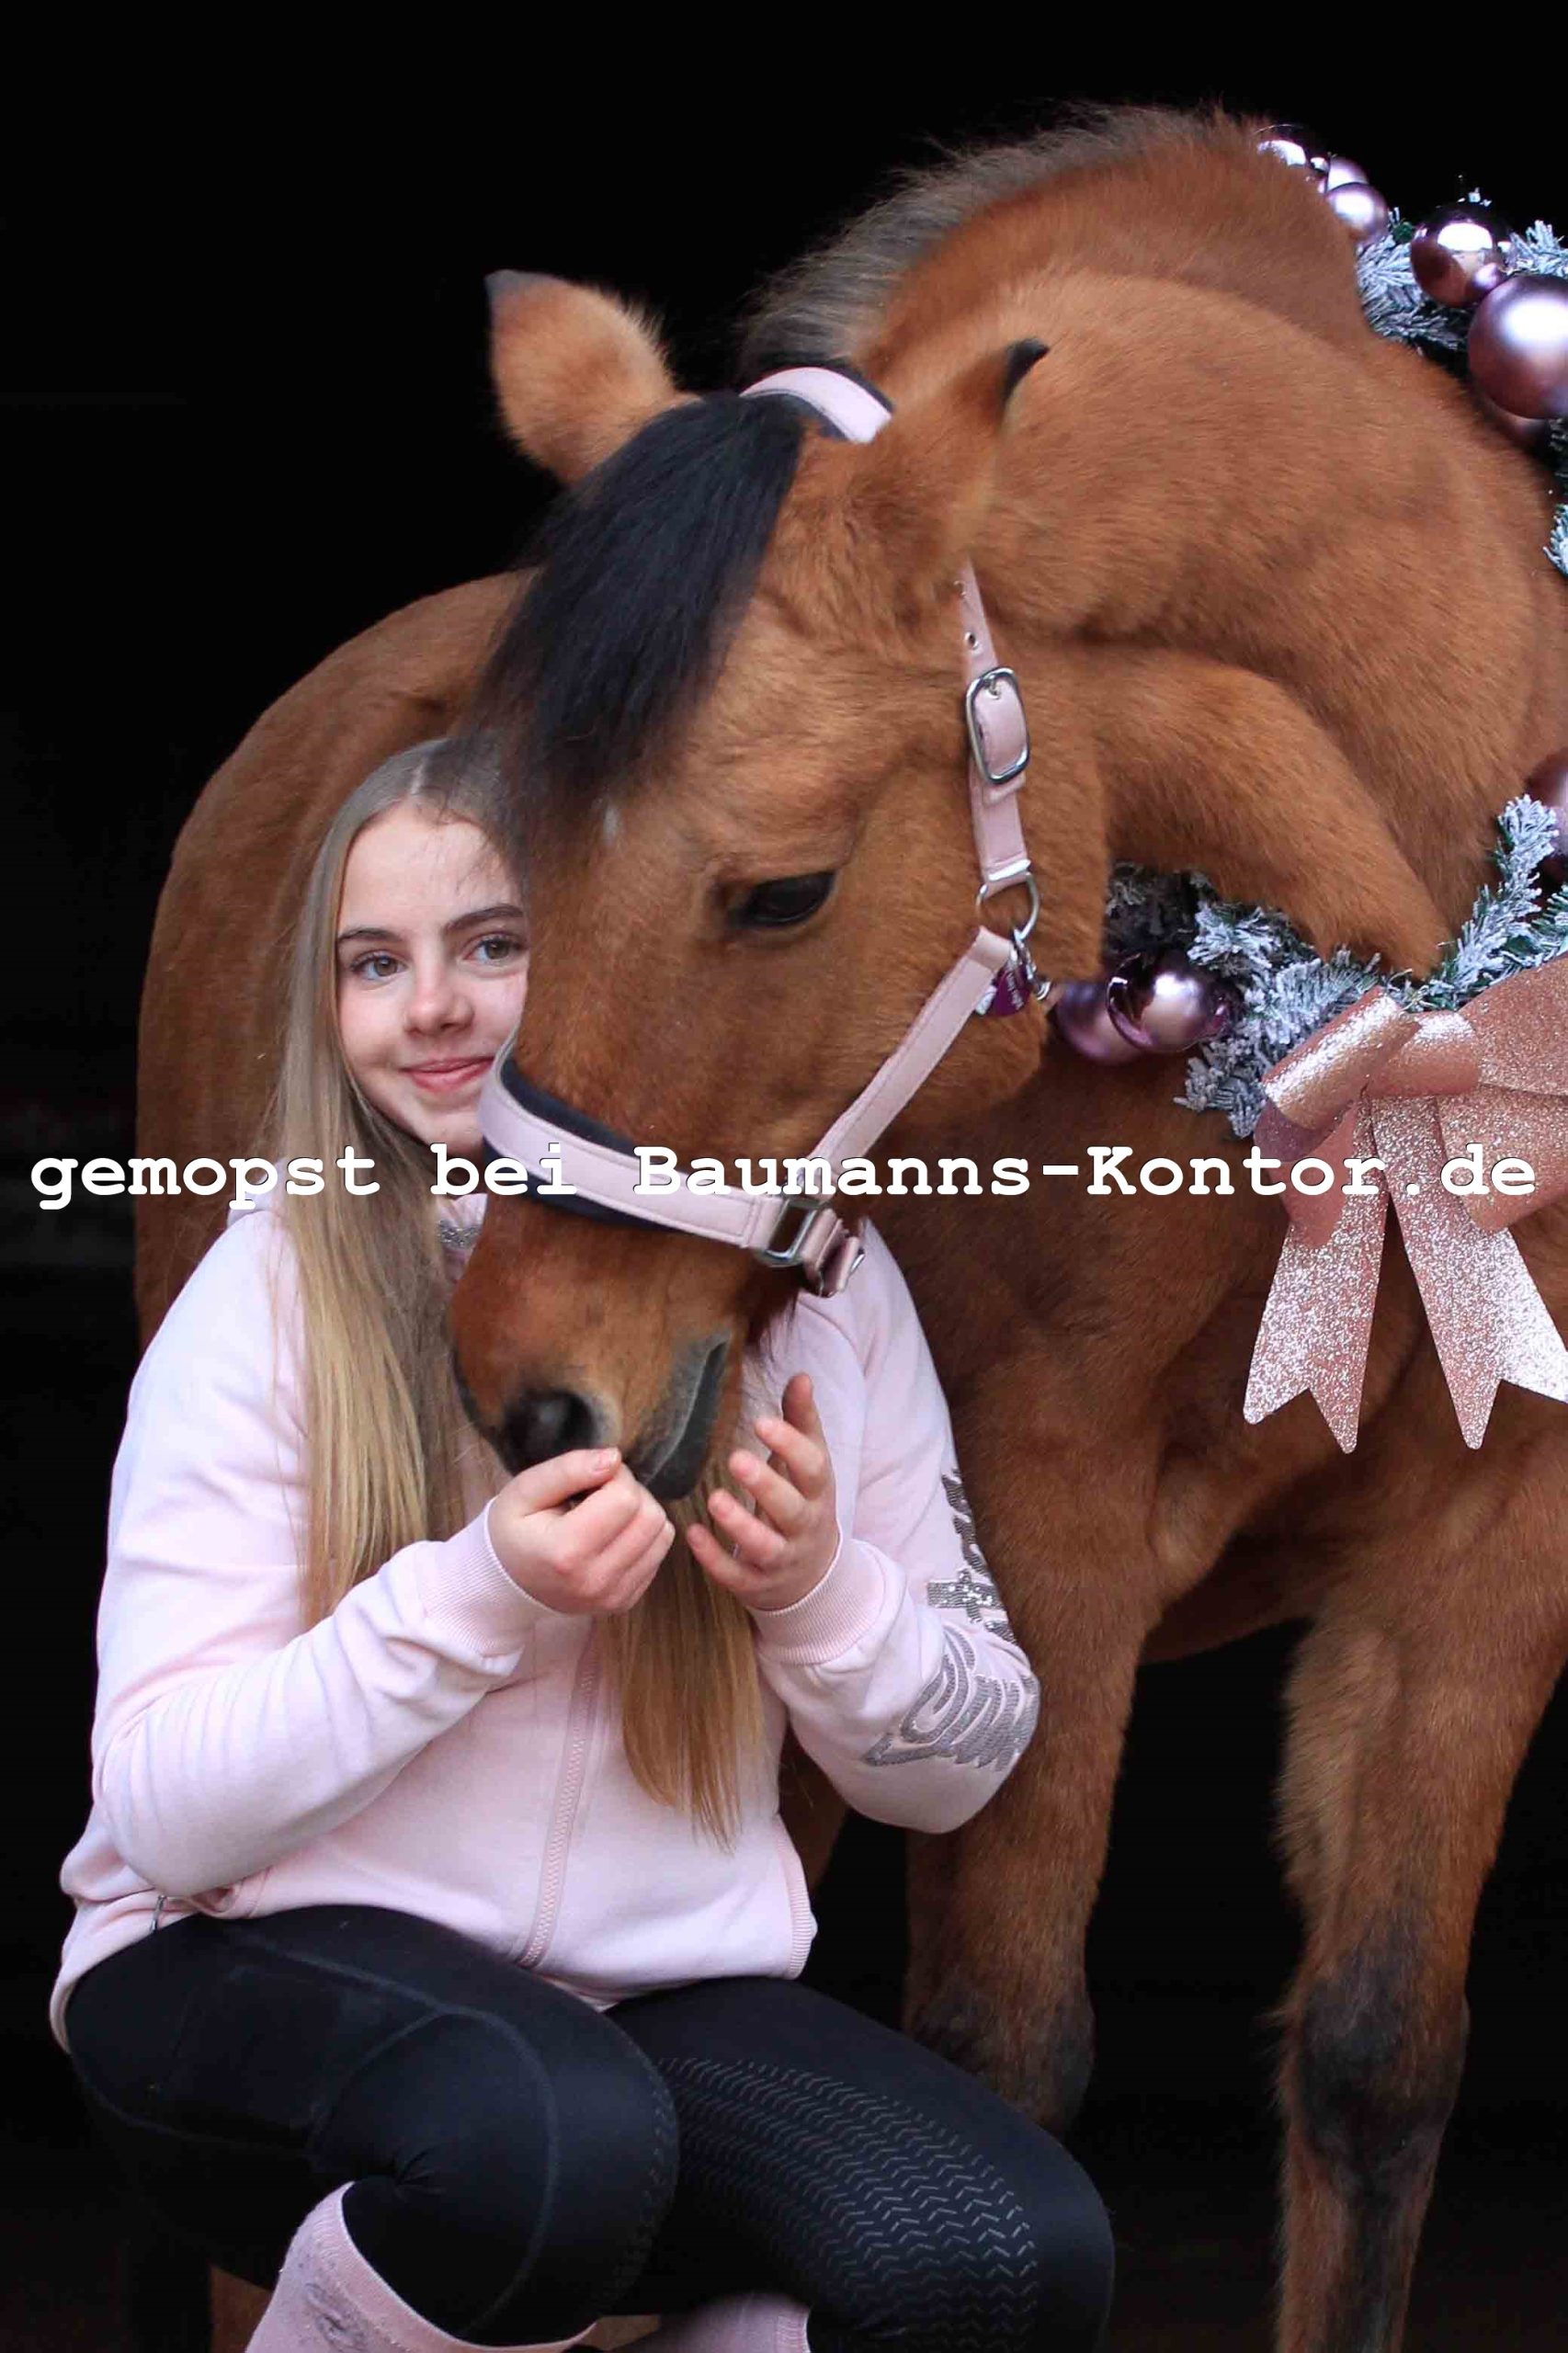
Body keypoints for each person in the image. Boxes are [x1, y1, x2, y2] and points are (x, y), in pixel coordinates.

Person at [54, 741, 1113, 2353]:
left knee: (1007, 2252)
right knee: (547, 2147)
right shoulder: (269, 1283)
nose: (432, 1008)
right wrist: (479, 1597)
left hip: (644, 2014)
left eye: (493, 945)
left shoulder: (826, 1292)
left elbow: (958, 1768)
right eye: (373, 964)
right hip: (231, 1973)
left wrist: (817, 1595)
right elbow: (167, 1813)